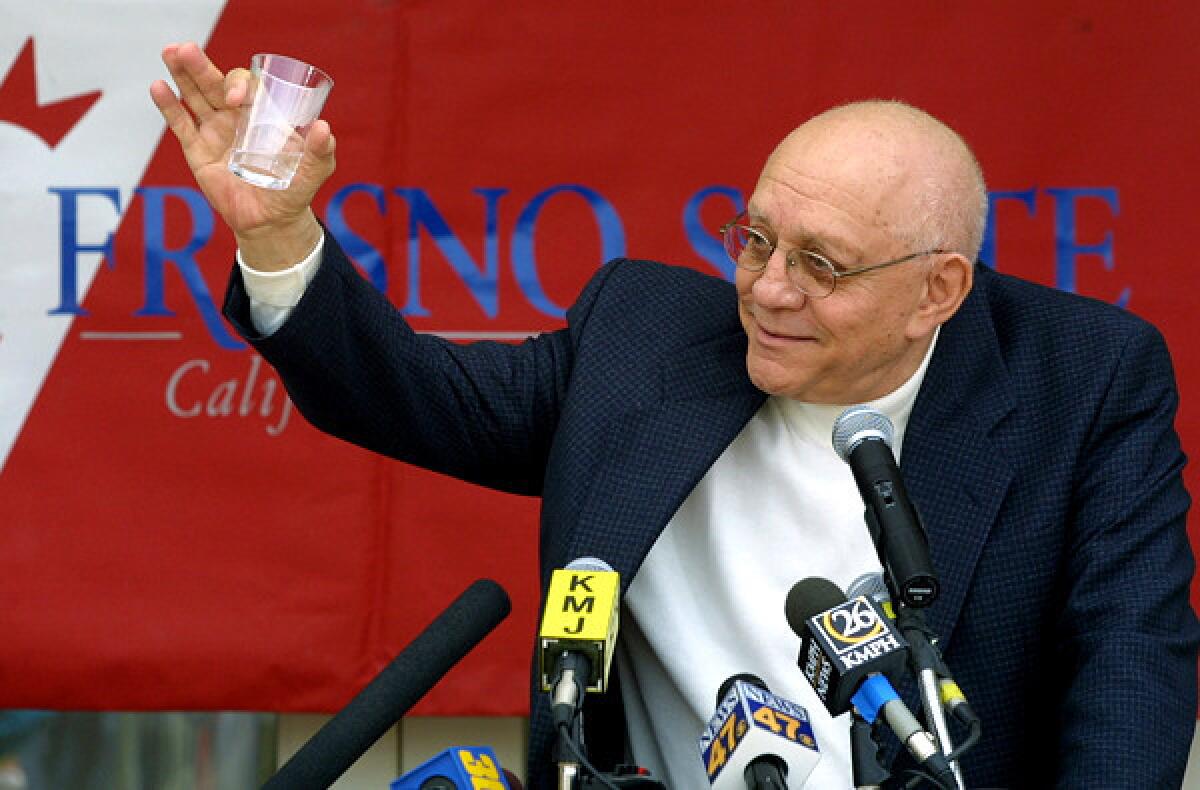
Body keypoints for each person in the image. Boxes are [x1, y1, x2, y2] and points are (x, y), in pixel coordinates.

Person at [151, 42, 1200, 788]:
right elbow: (413, 393)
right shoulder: (644, 340)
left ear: (939, 289)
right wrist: (282, 233)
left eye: (822, 266)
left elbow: (1132, 674)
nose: (769, 289)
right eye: (756, 239)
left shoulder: (1083, 382)